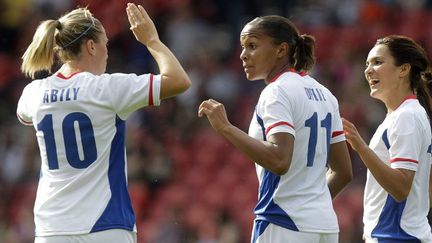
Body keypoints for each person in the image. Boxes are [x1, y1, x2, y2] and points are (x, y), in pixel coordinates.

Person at [17, 3, 191, 243]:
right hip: (104, 225)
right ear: (91, 46)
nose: (107, 52)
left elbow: (25, 117)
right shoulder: (107, 89)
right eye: (105, 44)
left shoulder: (33, 92)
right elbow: (179, 81)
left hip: (52, 227)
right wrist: (152, 40)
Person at [198, 15, 353, 243]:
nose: (243, 55)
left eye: (252, 46)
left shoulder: (276, 91)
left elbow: (280, 160)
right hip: (325, 225)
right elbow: (343, 172)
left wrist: (226, 128)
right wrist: (312, 206)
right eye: (243, 47)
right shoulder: (325, 94)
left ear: (281, 50)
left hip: (283, 222)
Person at [342, 35, 432, 243]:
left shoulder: (406, 117)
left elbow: (401, 188)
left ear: (404, 69)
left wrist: (361, 147)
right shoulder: (407, 115)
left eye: (378, 62)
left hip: (396, 236)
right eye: (367, 64)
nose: (368, 70)